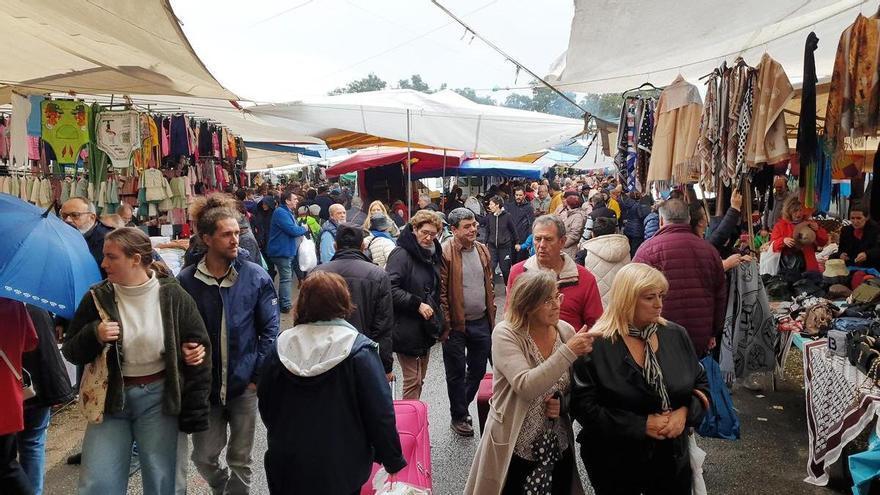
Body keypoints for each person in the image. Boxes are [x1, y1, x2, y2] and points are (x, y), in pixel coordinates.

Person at [62, 228, 212, 495]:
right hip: (110, 400)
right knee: (98, 481)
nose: (103, 263)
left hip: (159, 398)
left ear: (135, 259)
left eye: (111, 257)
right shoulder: (97, 296)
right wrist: (94, 334)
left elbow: (199, 343)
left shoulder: (171, 294)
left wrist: (192, 356)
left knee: (163, 481)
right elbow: (71, 352)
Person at [257, 272, 406, 493]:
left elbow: (266, 403)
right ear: (343, 302)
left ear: (303, 302)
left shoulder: (280, 347)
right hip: (342, 466)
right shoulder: (357, 350)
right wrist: (392, 458)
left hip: (288, 461)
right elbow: (380, 413)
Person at [571, 263, 710, 494]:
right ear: (627, 299)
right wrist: (641, 425)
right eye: (649, 297)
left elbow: (701, 383)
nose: (659, 304)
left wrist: (685, 413)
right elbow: (583, 408)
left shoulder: (675, 334)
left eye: (661, 295)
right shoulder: (596, 345)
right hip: (615, 463)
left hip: (671, 461)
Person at [464, 271, 596, 495]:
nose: (556, 305)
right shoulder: (507, 334)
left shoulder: (565, 331)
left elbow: (579, 390)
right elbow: (526, 386)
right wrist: (569, 351)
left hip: (556, 445)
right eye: (547, 300)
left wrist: (563, 404)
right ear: (527, 304)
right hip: (514, 446)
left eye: (557, 297)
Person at [177, 206, 279, 495]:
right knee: (203, 456)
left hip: (244, 384)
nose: (235, 239)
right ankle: (222, 487)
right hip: (204, 386)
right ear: (207, 238)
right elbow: (177, 328)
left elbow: (270, 331)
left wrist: (256, 376)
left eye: (237, 233)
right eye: (226, 234)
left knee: (240, 459)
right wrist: (184, 350)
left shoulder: (256, 276)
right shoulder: (186, 281)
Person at [633, 198, 727, 356]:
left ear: (661, 220)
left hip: (660, 335)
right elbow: (720, 296)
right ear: (689, 219)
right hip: (700, 333)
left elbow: (634, 295)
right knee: (696, 376)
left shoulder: (647, 251)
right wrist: (713, 331)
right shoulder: (709, 250)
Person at [440, 208, 496, 437]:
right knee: (455, 372)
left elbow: (489, 282)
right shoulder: (445, 252)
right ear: (454, 230)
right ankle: (460, 416)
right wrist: (445, 323)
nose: (473, 229)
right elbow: (442, 292)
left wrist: (491, 308)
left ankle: (460, 406)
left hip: (481, 321)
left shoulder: (482, 249)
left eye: (474, 224)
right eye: (467, 226)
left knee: (477, 369)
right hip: (455, 324)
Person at [314, 223, 394, 379]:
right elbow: (383, 325)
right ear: (363, 245)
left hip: (324, 357)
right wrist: (385, 366)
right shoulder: (378, 275)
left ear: (335, 245)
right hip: (363, 356)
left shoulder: (317, 274)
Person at [508, 215, 603, 331]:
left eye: (548, 239)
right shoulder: (518, 273)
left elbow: (596, 325)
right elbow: (510, 317)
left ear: (562, 242)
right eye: (537, 239)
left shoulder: (585, 279)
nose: (541, 245)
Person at [17, 305, 75, 495]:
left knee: (17, 448)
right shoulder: (34, 297)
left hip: (16, 386)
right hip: (43, 379)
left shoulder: (8, 303)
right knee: (33, 442)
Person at [386, 211, 443, 400]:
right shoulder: (401, 254)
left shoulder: (433, 253)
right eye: (424, 232)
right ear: (414, 229)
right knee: (413, 379)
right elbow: (389, 288)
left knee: (420, 378)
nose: (428, 238)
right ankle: (409, 421)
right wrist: (417, 304)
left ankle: (414, 414)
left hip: (425, 325)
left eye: (433, 234)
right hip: (406, 325)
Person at [0, 299, 38, 495]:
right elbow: (30, 342)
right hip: (7, 397)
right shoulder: (11, 299)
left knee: (6, 468)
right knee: (7, 463)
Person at [184, 194, 262, 269]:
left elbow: (251, 276)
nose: (235, 241)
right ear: (207, 238)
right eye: (226, 234)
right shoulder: (195, 249)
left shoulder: (245, 241)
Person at [267, 190, 308, 313]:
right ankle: (285, 304)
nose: (297, 201)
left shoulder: (286, 212)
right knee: (286, 278)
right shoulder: (281, 212)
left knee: (287, 277)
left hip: (286, 250)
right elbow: (293, 230)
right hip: (282, 251)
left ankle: (284, 302)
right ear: (287, 200)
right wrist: (303, 228)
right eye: (294, 199)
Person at [578, 216, 631, 306]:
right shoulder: (626, 250)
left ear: (592, 234)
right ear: (614, 232)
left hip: (595, 305)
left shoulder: (584, 254)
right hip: (622, 304)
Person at [770, 196, 829, 274]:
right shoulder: (780, 226)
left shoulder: (810, 223)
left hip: (810, 266)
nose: (798, 214)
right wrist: (783, 241)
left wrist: (817, 230)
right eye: (795, 211)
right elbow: (772, 246)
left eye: (801, 210)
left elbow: (823, 241)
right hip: (790, 268)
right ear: (788, 211)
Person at [60, 197, 113, 275]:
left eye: (75, 215)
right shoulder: (60, 236)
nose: (68, 220)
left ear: (92, 217)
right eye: (64, 216)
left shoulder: (109, 240)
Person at [485, 195, 518, 285]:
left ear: (497, 205)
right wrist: (485, 242)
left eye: (491, 204)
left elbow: (513, 230)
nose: (489, 206)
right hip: (492, 247)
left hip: (505, 247)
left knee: (505, 269)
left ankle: (507, 287)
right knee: (490, 267)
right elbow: (487, 230)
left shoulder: (507, 216)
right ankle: (491, 287)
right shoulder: (489, 217)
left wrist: (517, 242)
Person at [835, 204, 880, 269]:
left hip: (872, 265)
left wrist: (867, 254)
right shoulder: (846, 230)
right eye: (852, 218)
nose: (855, 221)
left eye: (859, 218)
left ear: (866, 217)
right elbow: (841, 249)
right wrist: (841, 254)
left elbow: (878, 249)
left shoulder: (875, 230)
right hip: (851, 264)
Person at [250, 196, 277, 279]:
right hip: (261, 240)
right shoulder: (259, 214)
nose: (263, 205)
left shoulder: (274, 214)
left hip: (270, 240)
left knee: (269, 261)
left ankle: (271, 275)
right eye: (263, 204)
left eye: (266, 204)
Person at [506, 187, 535, 263]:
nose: (518, 197)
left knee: (520, 262)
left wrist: (528, 242)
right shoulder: (510, 206)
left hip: (522, 240)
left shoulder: (528, 208)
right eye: (516, 195)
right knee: (510, 262)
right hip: (510, 239)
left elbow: (531, 225)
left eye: (520, 195)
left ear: (524, 195)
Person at [560, 192, 587, 258]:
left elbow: (575, 234)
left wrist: (563, 244)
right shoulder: (572, 214)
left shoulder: (577, 216)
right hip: (566, 248)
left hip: (570, 250)